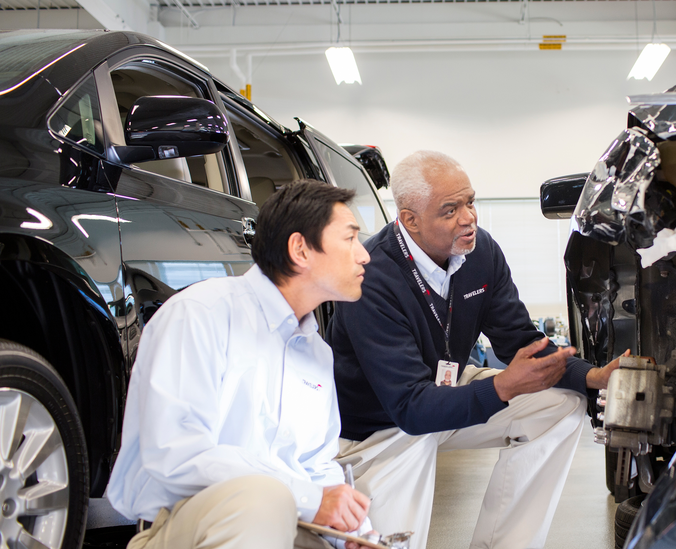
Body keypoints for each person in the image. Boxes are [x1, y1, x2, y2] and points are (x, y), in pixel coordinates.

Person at [326, 151, 627, 549]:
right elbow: (411, 409)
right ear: (409, 219)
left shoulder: (479, 251)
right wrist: (501, 387)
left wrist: (592, 376)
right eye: (450, 210)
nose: (468, 217)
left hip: (441, 391)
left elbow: (519, 339)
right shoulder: (373, 277)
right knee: (390, 542)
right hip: (382, 427)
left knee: (558, 406)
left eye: (470, 202)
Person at [107, 180, 374, 549]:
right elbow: (178, 453)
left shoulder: (316, 352)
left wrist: (354, 532)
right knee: (264, 500)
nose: (364, 256)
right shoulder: (200, 314)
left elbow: (317, 465)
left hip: (289, 523)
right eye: (350, 239)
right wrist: (311, 500)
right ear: (300, 249)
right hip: (192, 526)